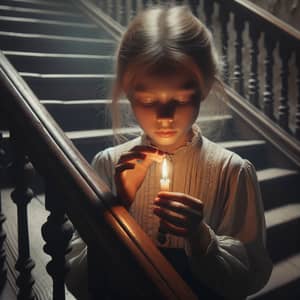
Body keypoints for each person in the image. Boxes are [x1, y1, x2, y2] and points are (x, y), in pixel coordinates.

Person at [66, 5, 272, 300]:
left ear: (205, 86)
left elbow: (249, 277)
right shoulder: (107, 165)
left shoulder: (231, 171)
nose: (165, 116)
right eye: (148, 99)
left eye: (180, 98)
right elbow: (77, 278)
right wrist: (119, 205)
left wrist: (200, 238)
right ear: (127, 90)